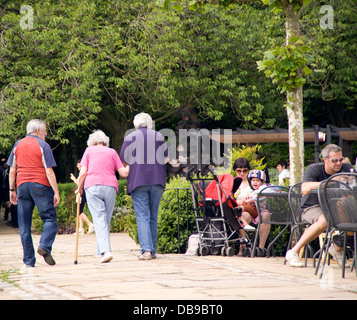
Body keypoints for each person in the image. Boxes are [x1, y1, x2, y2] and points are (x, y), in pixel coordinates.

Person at [285, 144, 354, 267]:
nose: (338, 163)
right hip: (312, 207)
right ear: (325, 160)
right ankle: (293, 252)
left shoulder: (347, 168)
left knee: (353, 216)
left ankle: (337, 247)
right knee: (325, 220)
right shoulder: (315, 169)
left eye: (340, 159)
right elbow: (305, 188)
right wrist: (331, 181)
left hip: (336, 207)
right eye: (334, 160)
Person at [7, 119, 60, 267]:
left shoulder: (17, 145)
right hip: (41, 185)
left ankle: (29, 261)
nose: (46, 133)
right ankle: (44, 246)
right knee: (50, 220)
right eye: (45, 130)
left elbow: (12, 170)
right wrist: (56, 192)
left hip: (22, 186)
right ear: (38, 131)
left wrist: (12, 190)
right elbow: (49, 171)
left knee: (24, 226)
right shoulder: (43, 145)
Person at [120, 113, 168, 260]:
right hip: (157, 181)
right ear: (149, 123)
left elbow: (123, 160)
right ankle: (152, 251)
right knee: (153, 216)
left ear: (136, 124)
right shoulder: (158, 136)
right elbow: (166, 160)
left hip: (138, 181)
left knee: (142, 216)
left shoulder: (130, 137)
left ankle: (146, 250)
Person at [76, 130, 129, 263]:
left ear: (92, 142)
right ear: (105, 141)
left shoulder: (88, 151)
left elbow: (82, 173)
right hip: (110, 187)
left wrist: (79, 188)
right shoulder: (112, 152)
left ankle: (106, 251)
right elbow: (123, 173)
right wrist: (131, 164)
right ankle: (101, 251)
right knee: (105, 220)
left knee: (99, 219)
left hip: (92, 186)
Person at [70, 160, 94, 235]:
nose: (77, 166)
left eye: (78, 165)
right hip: (81, 193)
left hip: (82, 192)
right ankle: (81, 228)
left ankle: (90, 224)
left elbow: (81, 184)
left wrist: (74, 179)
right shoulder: (83, 172)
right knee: (79, 210)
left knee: (79, 210)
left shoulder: (83, 173)